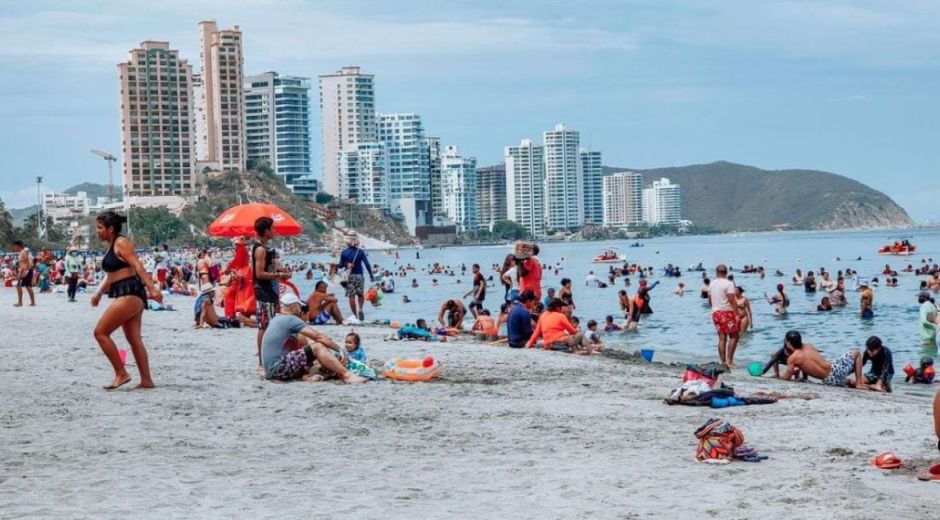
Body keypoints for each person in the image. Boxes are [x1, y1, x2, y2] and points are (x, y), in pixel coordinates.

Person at [90, 211, 162, 390]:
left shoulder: (121, 242)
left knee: (100, 332)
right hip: (128, 292)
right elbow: (112, 276)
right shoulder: (112, 245)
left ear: (110, 229)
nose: (97, 231)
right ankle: (146, 381)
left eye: (100, 227)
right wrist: (99, 293)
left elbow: (137, 265)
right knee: (134, 338)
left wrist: (152, 288)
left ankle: (121, 373)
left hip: (130, 292)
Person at [260, 293, 367, 383]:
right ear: (293, 307)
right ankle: (347, 375)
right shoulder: (290, 319)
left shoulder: (276, 319)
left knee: (318, 359)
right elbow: (318, 337)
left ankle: (311, 376)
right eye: (299, 306)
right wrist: (340, 350)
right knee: (317, 347)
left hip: (271, 371)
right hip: (278, 368)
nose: (301, 310)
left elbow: (302, 348)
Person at [252, 217, 290, 367]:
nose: (275, 231)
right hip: (264, 291)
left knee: (267, 325)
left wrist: (280, 271)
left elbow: (268, 270)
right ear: (267, 231)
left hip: (269, 292)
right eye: (273, 228)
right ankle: (262, 362)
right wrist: (279, 275)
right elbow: (259, 274)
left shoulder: (265, 248)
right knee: (264, 327)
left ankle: (266, 359)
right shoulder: (260, 249)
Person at [781, 330, 866, 389]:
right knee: (857, 353)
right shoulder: (809, 346)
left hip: (829, 380)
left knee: (849, 382)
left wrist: (778, 377)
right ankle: (859, 383)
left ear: (788, 342)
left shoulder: (793, 358)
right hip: (834, 369)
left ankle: (858, 384)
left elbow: (787, 378)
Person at [526, 298, 593, 354]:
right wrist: (577, 330)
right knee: (580, 335)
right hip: (559, 342)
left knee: (570, 339)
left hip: (547, 344)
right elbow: (572, 331)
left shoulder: (542, 316)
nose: (562, 308)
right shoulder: (561, 316)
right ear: (557, 307)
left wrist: (529, 345)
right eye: (561, 307)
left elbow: (535, 334)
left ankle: (580, 350)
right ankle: (590, 352)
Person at [708, 264, 740, 367]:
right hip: (726, 312)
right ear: (726, 272)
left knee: (722, 338)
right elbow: (731, 299)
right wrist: (737, 314)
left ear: (716, 272)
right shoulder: (729, 283)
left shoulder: (712, 284)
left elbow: (709, 301)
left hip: (715, 312)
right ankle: (729, 361)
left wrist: (714, 309)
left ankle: (723, 362)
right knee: (734, 336)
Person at [338, 231, 374, 322]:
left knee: (351, 296)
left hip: (349, 277)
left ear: (347, 242)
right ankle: (360, 309)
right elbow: (367, 264)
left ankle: (355, 316)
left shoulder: (344, 253)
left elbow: (341, 265)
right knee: (360, 294)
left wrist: (344, 264)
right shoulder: (360, 252)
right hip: (359, 275)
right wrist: (371, 275)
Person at [11, 240, 35, 307]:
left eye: (14, 246)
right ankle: (32, 302)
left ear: (18, 246)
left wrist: (22, 272)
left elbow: (26, 264)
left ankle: (20, 302)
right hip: (27, 270)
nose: (14, 248)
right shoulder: (23, 252)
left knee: (19, 286)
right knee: (28, 286)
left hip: (25, 271)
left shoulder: (23, 253)